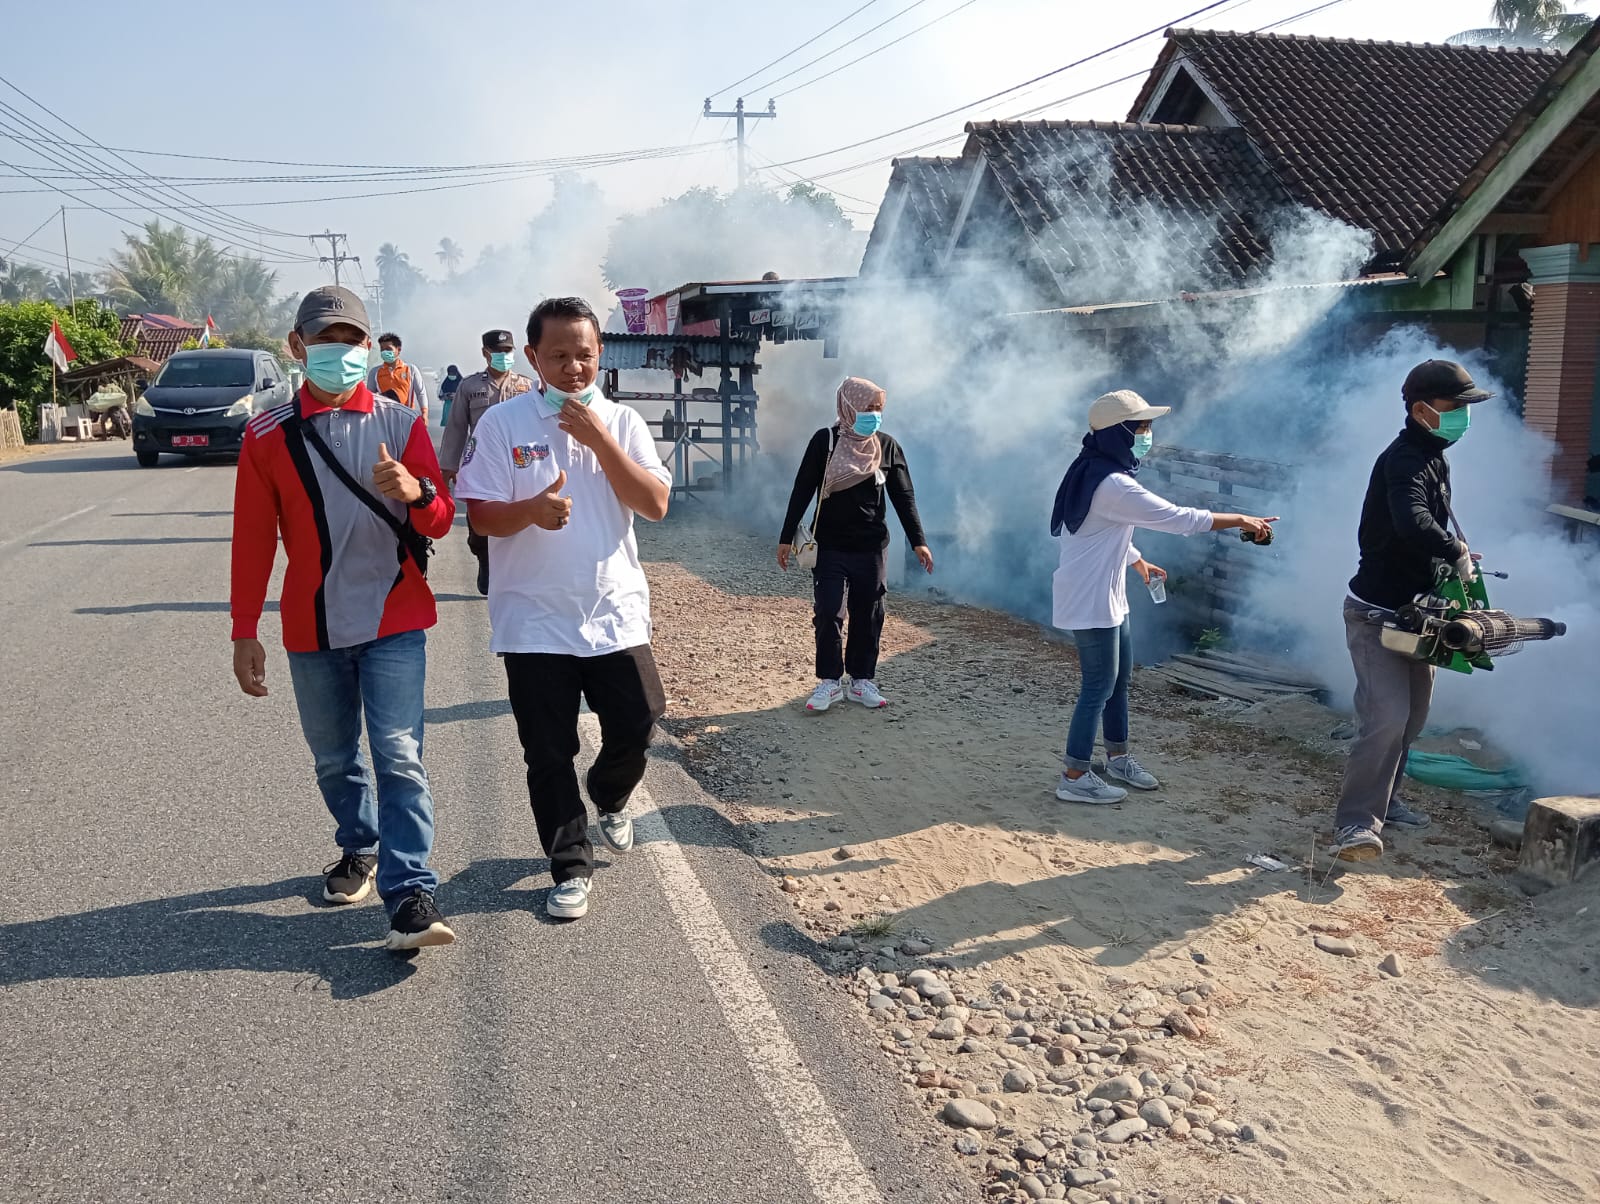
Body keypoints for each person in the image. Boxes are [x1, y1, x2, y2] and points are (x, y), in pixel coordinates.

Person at [230, 285, 457, 950]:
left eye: (351, 340)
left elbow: (441, 516)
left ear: (368, 345)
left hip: (395, 618)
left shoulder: (399, 423)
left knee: (399, 755)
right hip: (313, 626)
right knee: (335, 759)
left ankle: (411, 890)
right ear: (297, 348)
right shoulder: (267, 435)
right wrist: (244, 631)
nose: (339, 352)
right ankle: (359, 846)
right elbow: (252, 541)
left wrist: (416, 493)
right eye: (323, 340)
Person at [453, 297, 670, 922]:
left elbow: (654, 504)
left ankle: (609, 794)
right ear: (532, 358)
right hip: (532, 618)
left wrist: (599, 439)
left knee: (640, 715)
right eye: (559, 356)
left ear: (600, 354)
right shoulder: (501, 425)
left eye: (585, 355)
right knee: (547, 750)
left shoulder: (623, 421)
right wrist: (530, 512)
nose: (574, 368)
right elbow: (482, 515)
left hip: (613, 610)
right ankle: (569, 865)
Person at [1049, 390, 1277, 804]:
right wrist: (1241, 518)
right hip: (1090, 598)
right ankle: (1074, 774)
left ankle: (1117, 758)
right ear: (1118, 433)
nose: (1148, 434)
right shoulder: (1113, 483)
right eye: (1141, 427)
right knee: (1098, 686)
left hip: (1108, 593)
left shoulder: (1094, 469)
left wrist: (1137, 561)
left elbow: (1097, 531)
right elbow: (1178, 519)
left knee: (1119, 682)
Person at [1330, 360, 1492, 861]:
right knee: (1385, 718)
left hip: (1415, 617)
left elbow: (1426, 530)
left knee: (1412, 717)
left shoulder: (1434, 456)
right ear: (1422, 410)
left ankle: (1387, 800)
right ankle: (1355, 825)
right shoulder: (1404, 460)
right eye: (1455, 407)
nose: (1463, 416)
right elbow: (1412, 522)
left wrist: (1453, 554)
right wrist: (1453, 550)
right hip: (1376, 614)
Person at [778, 377, 933, 713]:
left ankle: (862, 680)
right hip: (830, 546)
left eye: (879, 409)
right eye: (869, 408)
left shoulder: (887, 446)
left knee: (870, 612)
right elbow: (802, 488)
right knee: (828, 611)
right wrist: (785, 537)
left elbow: (903, 497)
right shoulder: (826, 441)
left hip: (872, 547)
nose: (875, 415)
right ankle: (829, 683)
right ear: (850, 406)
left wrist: (918, 541)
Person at [441, 331, 536, 595]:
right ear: (485, 353)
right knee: (480, 522)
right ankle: (485, 560)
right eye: (498, 351)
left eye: (508, 351)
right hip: (481, 462)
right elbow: (457, 427)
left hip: (518, 463)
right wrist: (449, 465)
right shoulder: (470, 387)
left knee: (520, 517)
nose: (504, 356)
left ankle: (516, 573)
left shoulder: (527, 387)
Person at [367, 332, 428, 421]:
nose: (385, 352)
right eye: (382, 350)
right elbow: (370, 396)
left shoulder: (411, 370)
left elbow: (421, 393)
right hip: (385, 419)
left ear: (398, 350)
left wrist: (424, 413)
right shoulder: (375, 372)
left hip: (407, 417)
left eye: (388, 349)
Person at [438, 364, 463, 428]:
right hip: (448, 406)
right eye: (450, 374)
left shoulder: (462, 383)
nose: (451, 375)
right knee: (448, 426)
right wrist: (446, 396)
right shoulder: (445, 383)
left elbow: (466, 395)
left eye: (453, 373)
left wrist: (456, 395)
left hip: (459, 406)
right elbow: (440, 395)